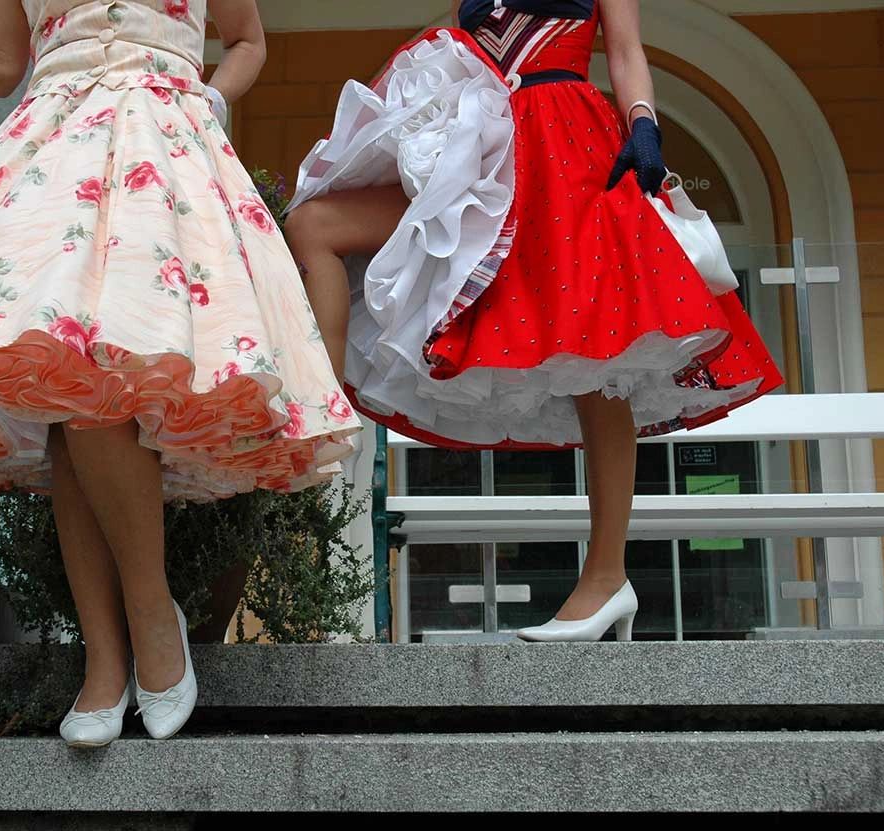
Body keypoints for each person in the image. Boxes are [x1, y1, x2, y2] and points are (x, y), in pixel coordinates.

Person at [0, 0, 357, 744]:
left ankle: (146, 618)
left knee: (97, 380)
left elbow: (247, 41)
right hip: (54, 151)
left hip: (165, 143)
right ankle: (112, 647)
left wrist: (210, 98)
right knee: (63, 386)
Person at [283, 0, 782, 642]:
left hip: (567, 146)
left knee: (600, 358)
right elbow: (451, 44)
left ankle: (607, 576)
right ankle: (318, 431)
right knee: (315, 225)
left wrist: (644, 126)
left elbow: (625, 49)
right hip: (480, 145)